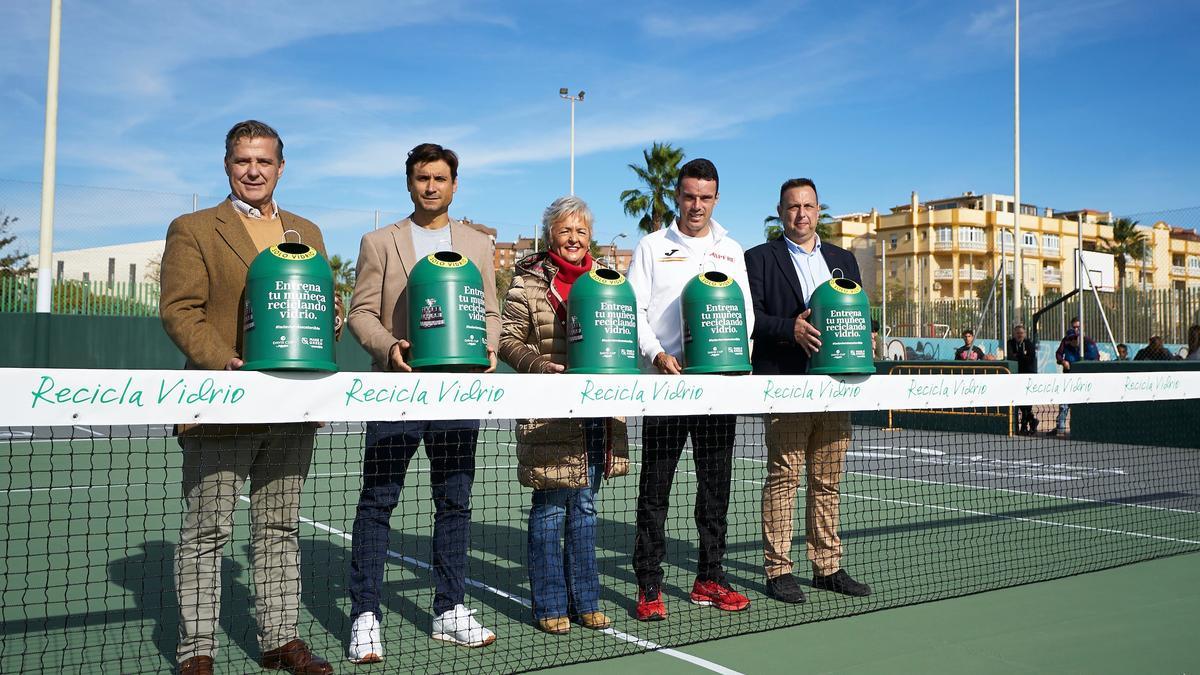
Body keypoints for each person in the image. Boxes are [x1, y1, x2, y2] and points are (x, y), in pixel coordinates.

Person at [160, 120, 337, 675]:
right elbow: (179, 309)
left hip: (291, 406)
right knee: (206, 531)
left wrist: (322, 337)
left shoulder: (306, 230)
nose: (253, 171)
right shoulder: (193, 228)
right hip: (220, 403)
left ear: (281, 167)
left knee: (279, 529)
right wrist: (227, 365)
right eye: (243, 161)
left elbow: (321, 308)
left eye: (264, 161)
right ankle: (198, 651)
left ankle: (280, 639)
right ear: (228, 166)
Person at [345, 143, 501, 662]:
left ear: (455, 185)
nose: (430, 186)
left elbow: (492, 312)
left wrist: (490, 347)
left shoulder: (479, 245)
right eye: (421, 178)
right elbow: (360, 312)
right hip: (398, 391)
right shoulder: (378, 242)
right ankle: (366, 614)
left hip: (457, 392)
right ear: (409, 184)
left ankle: (449, 609)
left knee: (455, 501)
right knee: (378, 501)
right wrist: (390, 347)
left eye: (439, 178)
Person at [626, 158, 754, 620]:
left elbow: (746, 314)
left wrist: (735, 366)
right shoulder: (651, 246)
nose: (696, 205)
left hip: (717, 390)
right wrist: (657, 355)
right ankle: (648, 585)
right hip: (667, 387)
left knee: (716, 488)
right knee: (655, 490)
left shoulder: (731, 248)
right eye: (689, 196)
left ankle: (709, 579)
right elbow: (634, 310)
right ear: (676, 197)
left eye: (705, 197)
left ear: (715, 198)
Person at [498, 196, 629, 635]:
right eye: (564, 230)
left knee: (586, 509)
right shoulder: (526, 282)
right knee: (551, 509)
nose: (573, 238)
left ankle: (586, 601)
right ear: (550, 234)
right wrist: (542, 367)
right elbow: (508, 340)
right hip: (550, 411)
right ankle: (551, 604)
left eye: (581, 231)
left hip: (597, 414)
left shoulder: (608, 281)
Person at [745, 177, 871, 604]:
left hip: (835, 389)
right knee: (784, 477)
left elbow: (855, 313)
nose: (801, 214)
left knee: (828, 481)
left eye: (809, 206)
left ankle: (828, 567)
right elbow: (752, 319)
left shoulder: (843, 259)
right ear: (780, 213)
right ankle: (778, 570)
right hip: (786, 386)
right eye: (793, 207)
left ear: (820, 211)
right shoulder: (758, 259)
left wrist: (867, 335)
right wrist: (791, 328)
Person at [1052, 318, 1099, 436]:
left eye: (1078, 327)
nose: (1073, 340)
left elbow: (1095, 359)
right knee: (1064, 404)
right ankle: (1060, 429)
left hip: (1084, 380)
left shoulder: (1089, 343)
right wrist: (1063, 361)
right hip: (1068, 378)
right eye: (1074, 327)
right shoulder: (1065, 341)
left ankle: (1080, 429)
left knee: (1082, 405)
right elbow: (1058, 354)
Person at [1006, 324, 1038, 434]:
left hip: (1028, 375)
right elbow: (1010, 356)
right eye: (1017, 333)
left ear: (1024, 334)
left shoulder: (1029, 344)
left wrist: (1018, 356)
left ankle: (1024, 426)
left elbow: (1030, 358)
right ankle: (1032, 421)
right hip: (1016, 376)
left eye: (1021, 333)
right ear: (1014, 334)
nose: (1019, 335)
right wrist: (1022, 355)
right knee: (1019, 402)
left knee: (1027, 403)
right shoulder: (1010, 343)